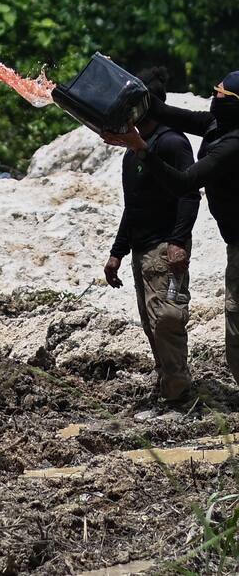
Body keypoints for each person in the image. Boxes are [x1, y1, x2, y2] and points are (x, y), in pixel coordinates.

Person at [105, 70, 239, 385]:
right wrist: (120, 81)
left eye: (221, 93)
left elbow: (184, 184)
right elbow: (161, 111)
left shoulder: (233, 144)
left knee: (236, 328)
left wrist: (141, 148)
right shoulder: (215, 125)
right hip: (234, 241)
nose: (213, 94)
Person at [102, 69, 199, 403]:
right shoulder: (133, 153)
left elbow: (189, 195)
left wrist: (178, 242)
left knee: (166, 322)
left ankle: (180, 396)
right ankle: (167, 387)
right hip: (142, 249)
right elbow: (133, 206)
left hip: (165, 248)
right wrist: (118, 252)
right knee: (150, 325)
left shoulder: (172, 143)